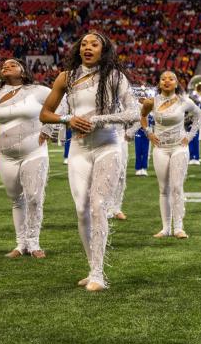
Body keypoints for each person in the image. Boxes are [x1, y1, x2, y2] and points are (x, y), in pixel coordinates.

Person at [40, 32, 139, 291]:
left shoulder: (115, 76)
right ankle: (91, 265)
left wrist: (96, 120)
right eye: (83, 44)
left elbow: (133, 112)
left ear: (103, 49)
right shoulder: (66, 77)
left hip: (108, 145)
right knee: (82, 209)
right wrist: (68, 120)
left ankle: (98, 274)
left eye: (94, 44)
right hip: (79, 149)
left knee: (98, 206)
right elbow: (45, 113)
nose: (87, 47)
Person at [0, 59, 53, 258]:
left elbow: (61, 104)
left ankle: (34, 243)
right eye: (4, 65)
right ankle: (20, 244)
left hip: (35, 152)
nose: (6, 66)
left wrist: (49, 129)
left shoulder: (39, 90)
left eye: (12, 64)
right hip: (5, 155)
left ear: (23, 72)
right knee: (16, 200)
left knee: (34, 197)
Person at [141, 71, 201, 238]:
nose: (166, 81)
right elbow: (142, 116)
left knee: (176, 187)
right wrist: (149, 133)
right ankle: (165, 228)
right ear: (159, 83)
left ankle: (178, 228)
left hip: (179, 147)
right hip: (160, 148)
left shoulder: (184, 101)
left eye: (170, 79)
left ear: (176, 83)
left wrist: (189, 136)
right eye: (163, 79)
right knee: (163, 189)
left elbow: (199, 115)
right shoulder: (151, 101)